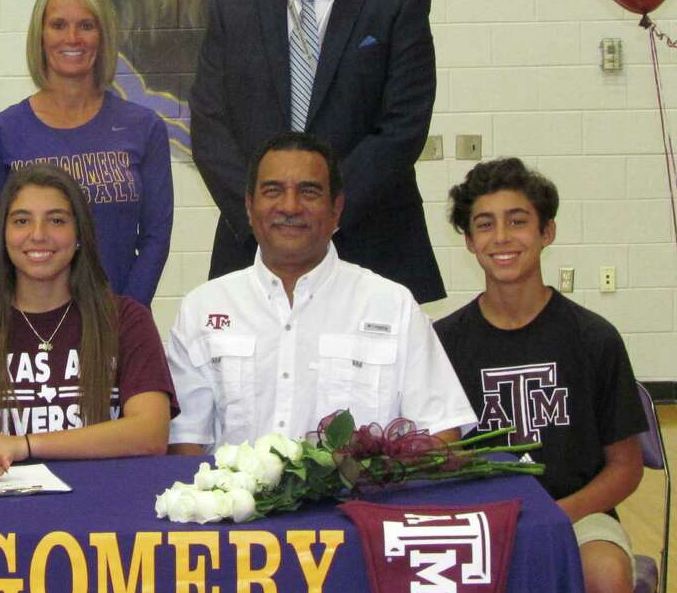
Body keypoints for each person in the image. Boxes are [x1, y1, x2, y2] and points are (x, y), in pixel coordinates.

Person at [434, 157, 644, 593]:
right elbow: (439, 453)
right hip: (480, 521)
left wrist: (558, 515)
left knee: (605, 574)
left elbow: (624, 467)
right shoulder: (444, 342)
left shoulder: (593, 338)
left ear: (547, 231)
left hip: (576, 513)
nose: (502, 237)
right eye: (485, 223)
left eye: (517, 220)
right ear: (469, 240)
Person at [189, 0, 444, 303]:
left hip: (371, 241)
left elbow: (402, 128)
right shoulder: (232, 12)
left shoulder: (399, 4)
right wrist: (264, 216)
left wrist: (324, 210)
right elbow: (210, 129)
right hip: (253, 249)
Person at [167, 134, 473, 454]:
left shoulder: (392, 306)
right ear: (249, 206)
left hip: (358, 502)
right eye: (273, 191)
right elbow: (185, 444)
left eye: (309, 192)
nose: (290, 206)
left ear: (336, 208)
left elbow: (440, 436)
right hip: (234, 503)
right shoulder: (201, 309)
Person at [0, 164, 176, 482]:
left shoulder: (127, 321)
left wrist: (26, 445)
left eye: (56, 220)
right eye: (22, 221)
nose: (38, 235)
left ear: (79, 234)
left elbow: (150, 432)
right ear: (3, 235)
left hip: (103, 503)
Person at [0, 0, 173, 305]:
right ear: (40, 36)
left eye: (86, 26)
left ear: (103, 36)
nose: (72, 37)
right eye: (59, 25)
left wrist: (125, 317)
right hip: (34, 325)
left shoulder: (144, 128)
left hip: (118, 323)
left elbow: (155, 238)